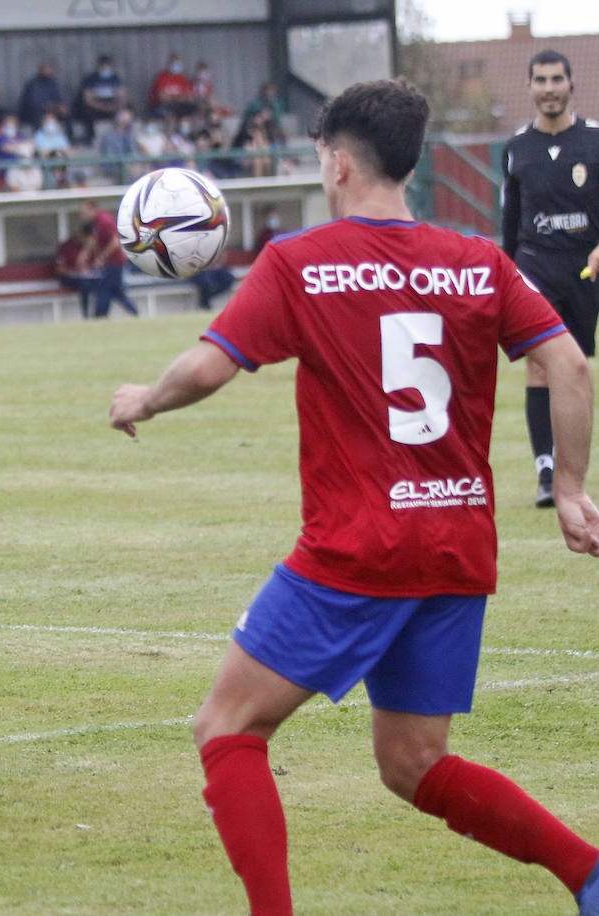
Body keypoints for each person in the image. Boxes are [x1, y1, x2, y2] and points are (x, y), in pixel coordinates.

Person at [109, 78, 599, 916]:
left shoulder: (300, 262)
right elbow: (570, 365)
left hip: (356, 548)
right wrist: (572, 489)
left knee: (225, 728)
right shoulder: (480, 262)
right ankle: (589, 874)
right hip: (454, 544)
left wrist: (145, 398)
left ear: (337, 162)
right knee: (412, 763)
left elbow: (212, 365)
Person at [501, 49, 599, 508]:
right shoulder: (517, 148)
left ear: (571, 83)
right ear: (529, 87)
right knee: (541, 366)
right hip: (535, 267)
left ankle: (572, 465)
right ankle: (546, 469)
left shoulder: (595, 140)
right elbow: (510, 221)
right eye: (540, 80)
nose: (549, 88)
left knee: (577, 367)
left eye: (557, 79)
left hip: (588, 268)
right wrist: (507, 272)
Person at [79, 198, 138, 318]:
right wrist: (85, 253)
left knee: (105, 289)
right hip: (111, 262)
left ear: (92, 209)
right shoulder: (97, 222)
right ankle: (133, 314)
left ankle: (100, 316)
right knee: (115, 291)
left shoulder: (104, 221)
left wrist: (101, 258)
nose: (82, 216)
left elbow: (115, 242)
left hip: (115, 262)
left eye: (84, 213)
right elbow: (95, 239)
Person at [73, 55, 126, 145]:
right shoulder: (91, 79)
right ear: (98, 65)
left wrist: (115, 106)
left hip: (112, 107)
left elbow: (122, 96)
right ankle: (90, 138)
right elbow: (88, 99)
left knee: (126, 113)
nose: (106, 68)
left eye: (108, 65)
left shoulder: (115, 79)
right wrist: (102, 107)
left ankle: (122, 137)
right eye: (104, 65)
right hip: (96, 107)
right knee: (87, 113)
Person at [55, 222, 99, 318]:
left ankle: (100, 314)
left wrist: (88, 249)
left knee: (103, 283)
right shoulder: (66, 247)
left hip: (87, 277)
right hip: (69, 278)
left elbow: (97, 264)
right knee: (85, 285)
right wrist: (76, 272)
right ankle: (86, 315)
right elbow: (60, 269)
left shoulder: (92, 247)